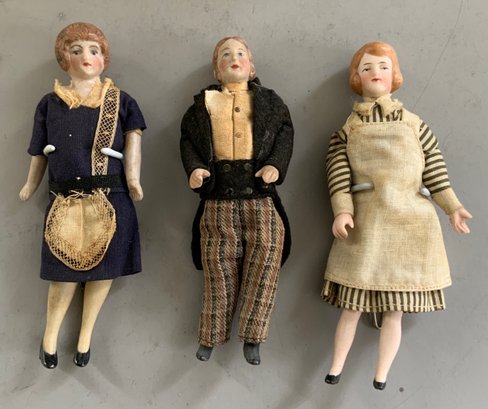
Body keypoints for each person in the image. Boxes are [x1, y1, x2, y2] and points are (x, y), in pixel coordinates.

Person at [322, 41, 472, 389]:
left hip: (410, 221)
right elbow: (338, 177)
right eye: (367, 68)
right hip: (367, 221)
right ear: (357, 78)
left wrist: (452, 207)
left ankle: (381, 374)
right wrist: (342, 211)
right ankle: (336, 366)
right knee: (353, 303)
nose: (376, 73)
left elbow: (435, 170)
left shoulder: (415, 125)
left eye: (383, 67)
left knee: (395, 309)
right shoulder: (346, 131)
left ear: (394, 75)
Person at [20, 22, 146, 368]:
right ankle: (49, 337)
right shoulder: (50, 104)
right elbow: (38, 151)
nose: (85, 57)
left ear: (104, 58)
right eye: (76, 51)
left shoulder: (121, 102)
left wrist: (133, 179)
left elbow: (133, 144)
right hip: (65, 200)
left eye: (94, 50)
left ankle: (85, 336)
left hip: (111, 197)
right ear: (64, 59)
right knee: (63, 271)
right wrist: (30, 183)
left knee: (104, 270)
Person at [180, 36, 293, 365]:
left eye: (241, 53)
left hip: (261, 197)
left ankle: (253, 337)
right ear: (217, 69)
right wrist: (196, 169)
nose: (235, 58)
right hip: (218, 201)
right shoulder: (202, 106)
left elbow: (284, 134)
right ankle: (210, 336)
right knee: (217, 270)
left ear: (251, 66)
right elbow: (188, 141)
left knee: (264, 267)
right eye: (226, 54)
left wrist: (275, 165)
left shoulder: (270, 102)